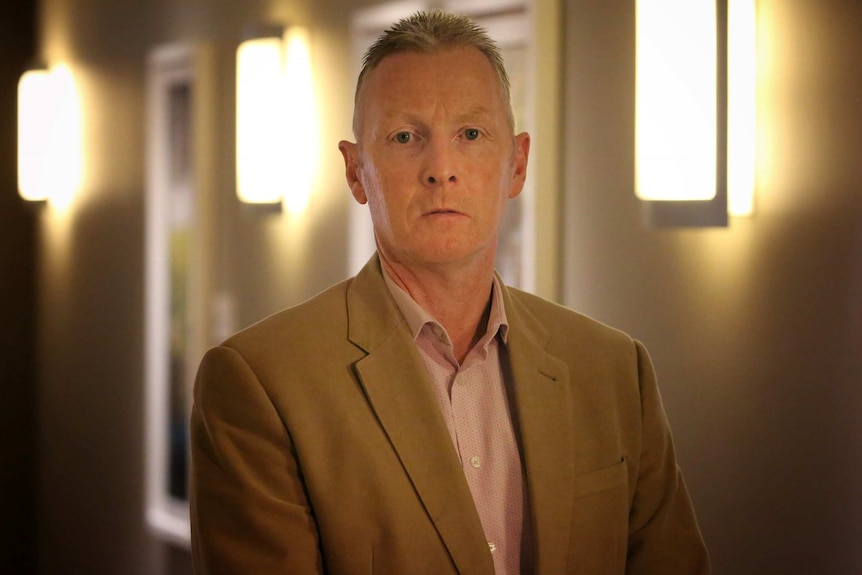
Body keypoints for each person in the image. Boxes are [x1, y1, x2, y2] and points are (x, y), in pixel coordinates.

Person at [190, 9, 710, 575]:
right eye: (405, 137)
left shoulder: (613, 372)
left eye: (470, 134)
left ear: (517, 164)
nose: (442, 169)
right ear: (356, 171)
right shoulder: (261, 384)